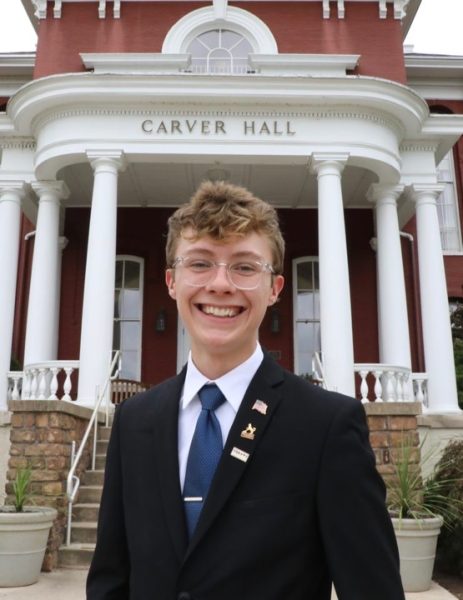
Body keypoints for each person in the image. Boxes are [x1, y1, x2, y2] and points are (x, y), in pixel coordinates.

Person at [87, 181, 405, 600]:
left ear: (274, 289)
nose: (220, 284)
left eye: (245, 266)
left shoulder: (326, 426)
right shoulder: (134, 422)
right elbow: (111, 581)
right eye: (200, 264)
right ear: (171, 281)